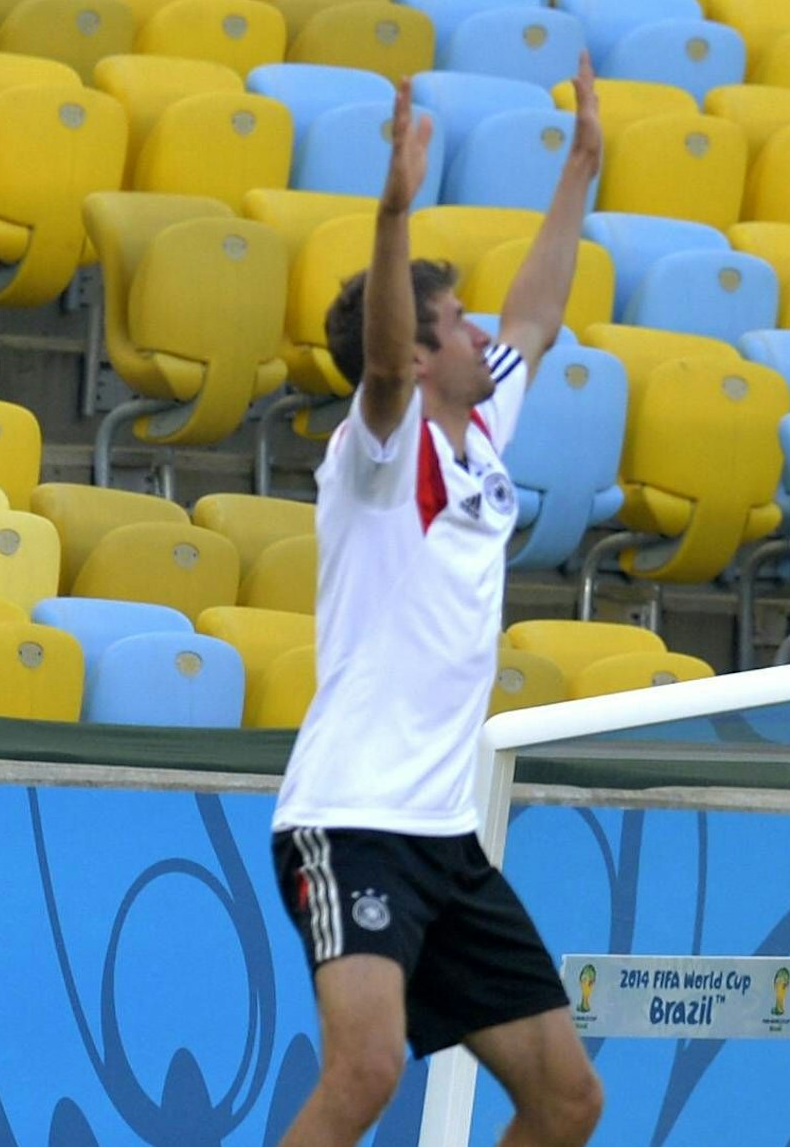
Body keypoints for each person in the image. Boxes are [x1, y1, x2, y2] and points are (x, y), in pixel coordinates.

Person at [270, 58, 606, 1147]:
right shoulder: (378, 450)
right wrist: (392, 210)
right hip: (352, 819)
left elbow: (540, 315)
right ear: (417, 356)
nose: (477, 334)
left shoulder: (480, 431)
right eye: (453, 322)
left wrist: (581, 170)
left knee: (565, 1102)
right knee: (364, 1073)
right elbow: (376, 364)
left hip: (445, 838)